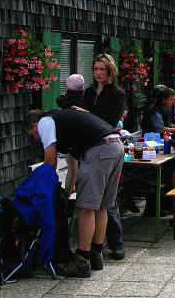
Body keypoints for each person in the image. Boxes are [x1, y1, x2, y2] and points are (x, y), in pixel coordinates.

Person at [24, 108, 123, 277]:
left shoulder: (45, 122)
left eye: (33, 134)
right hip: (116, 146)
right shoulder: (68, 126)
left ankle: (82, 262)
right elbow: (73, 166)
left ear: (34, 124)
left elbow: (50, 160)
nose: (36, 137)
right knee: (102, 206)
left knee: (85, 208)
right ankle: (96, 255)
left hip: (98, 150)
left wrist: (46, 189)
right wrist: (66, 193)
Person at [81, 55, 126, 262]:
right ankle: (99, 248)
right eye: (96, 69)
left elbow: (109, 121)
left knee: (101, 203)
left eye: (102, 69)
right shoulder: (89, 92)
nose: (98, 73)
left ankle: (98, 249)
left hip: (105, 146)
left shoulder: (117, 94)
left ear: (110, 71)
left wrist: (86, 114)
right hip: (90, 145)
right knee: (101, 203)